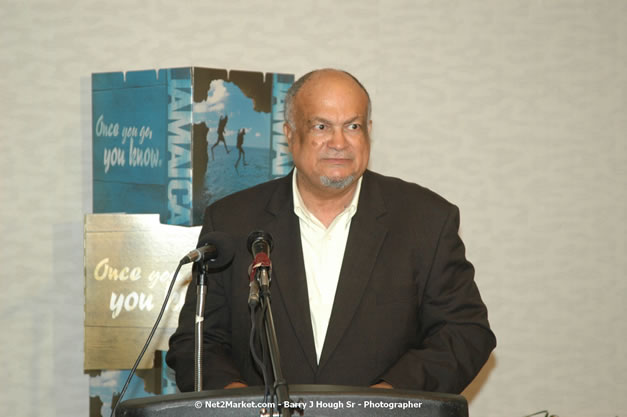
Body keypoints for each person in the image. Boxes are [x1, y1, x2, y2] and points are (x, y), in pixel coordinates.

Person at [166, 68, 496, 394]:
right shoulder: (232, 221)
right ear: (290, 134)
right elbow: (196, 342)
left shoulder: (425, 220)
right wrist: (241, 404)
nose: (339, 142)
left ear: (368, 132)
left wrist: (387, 401)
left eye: (352, 126)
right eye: (321, 126)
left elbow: (464, 333)